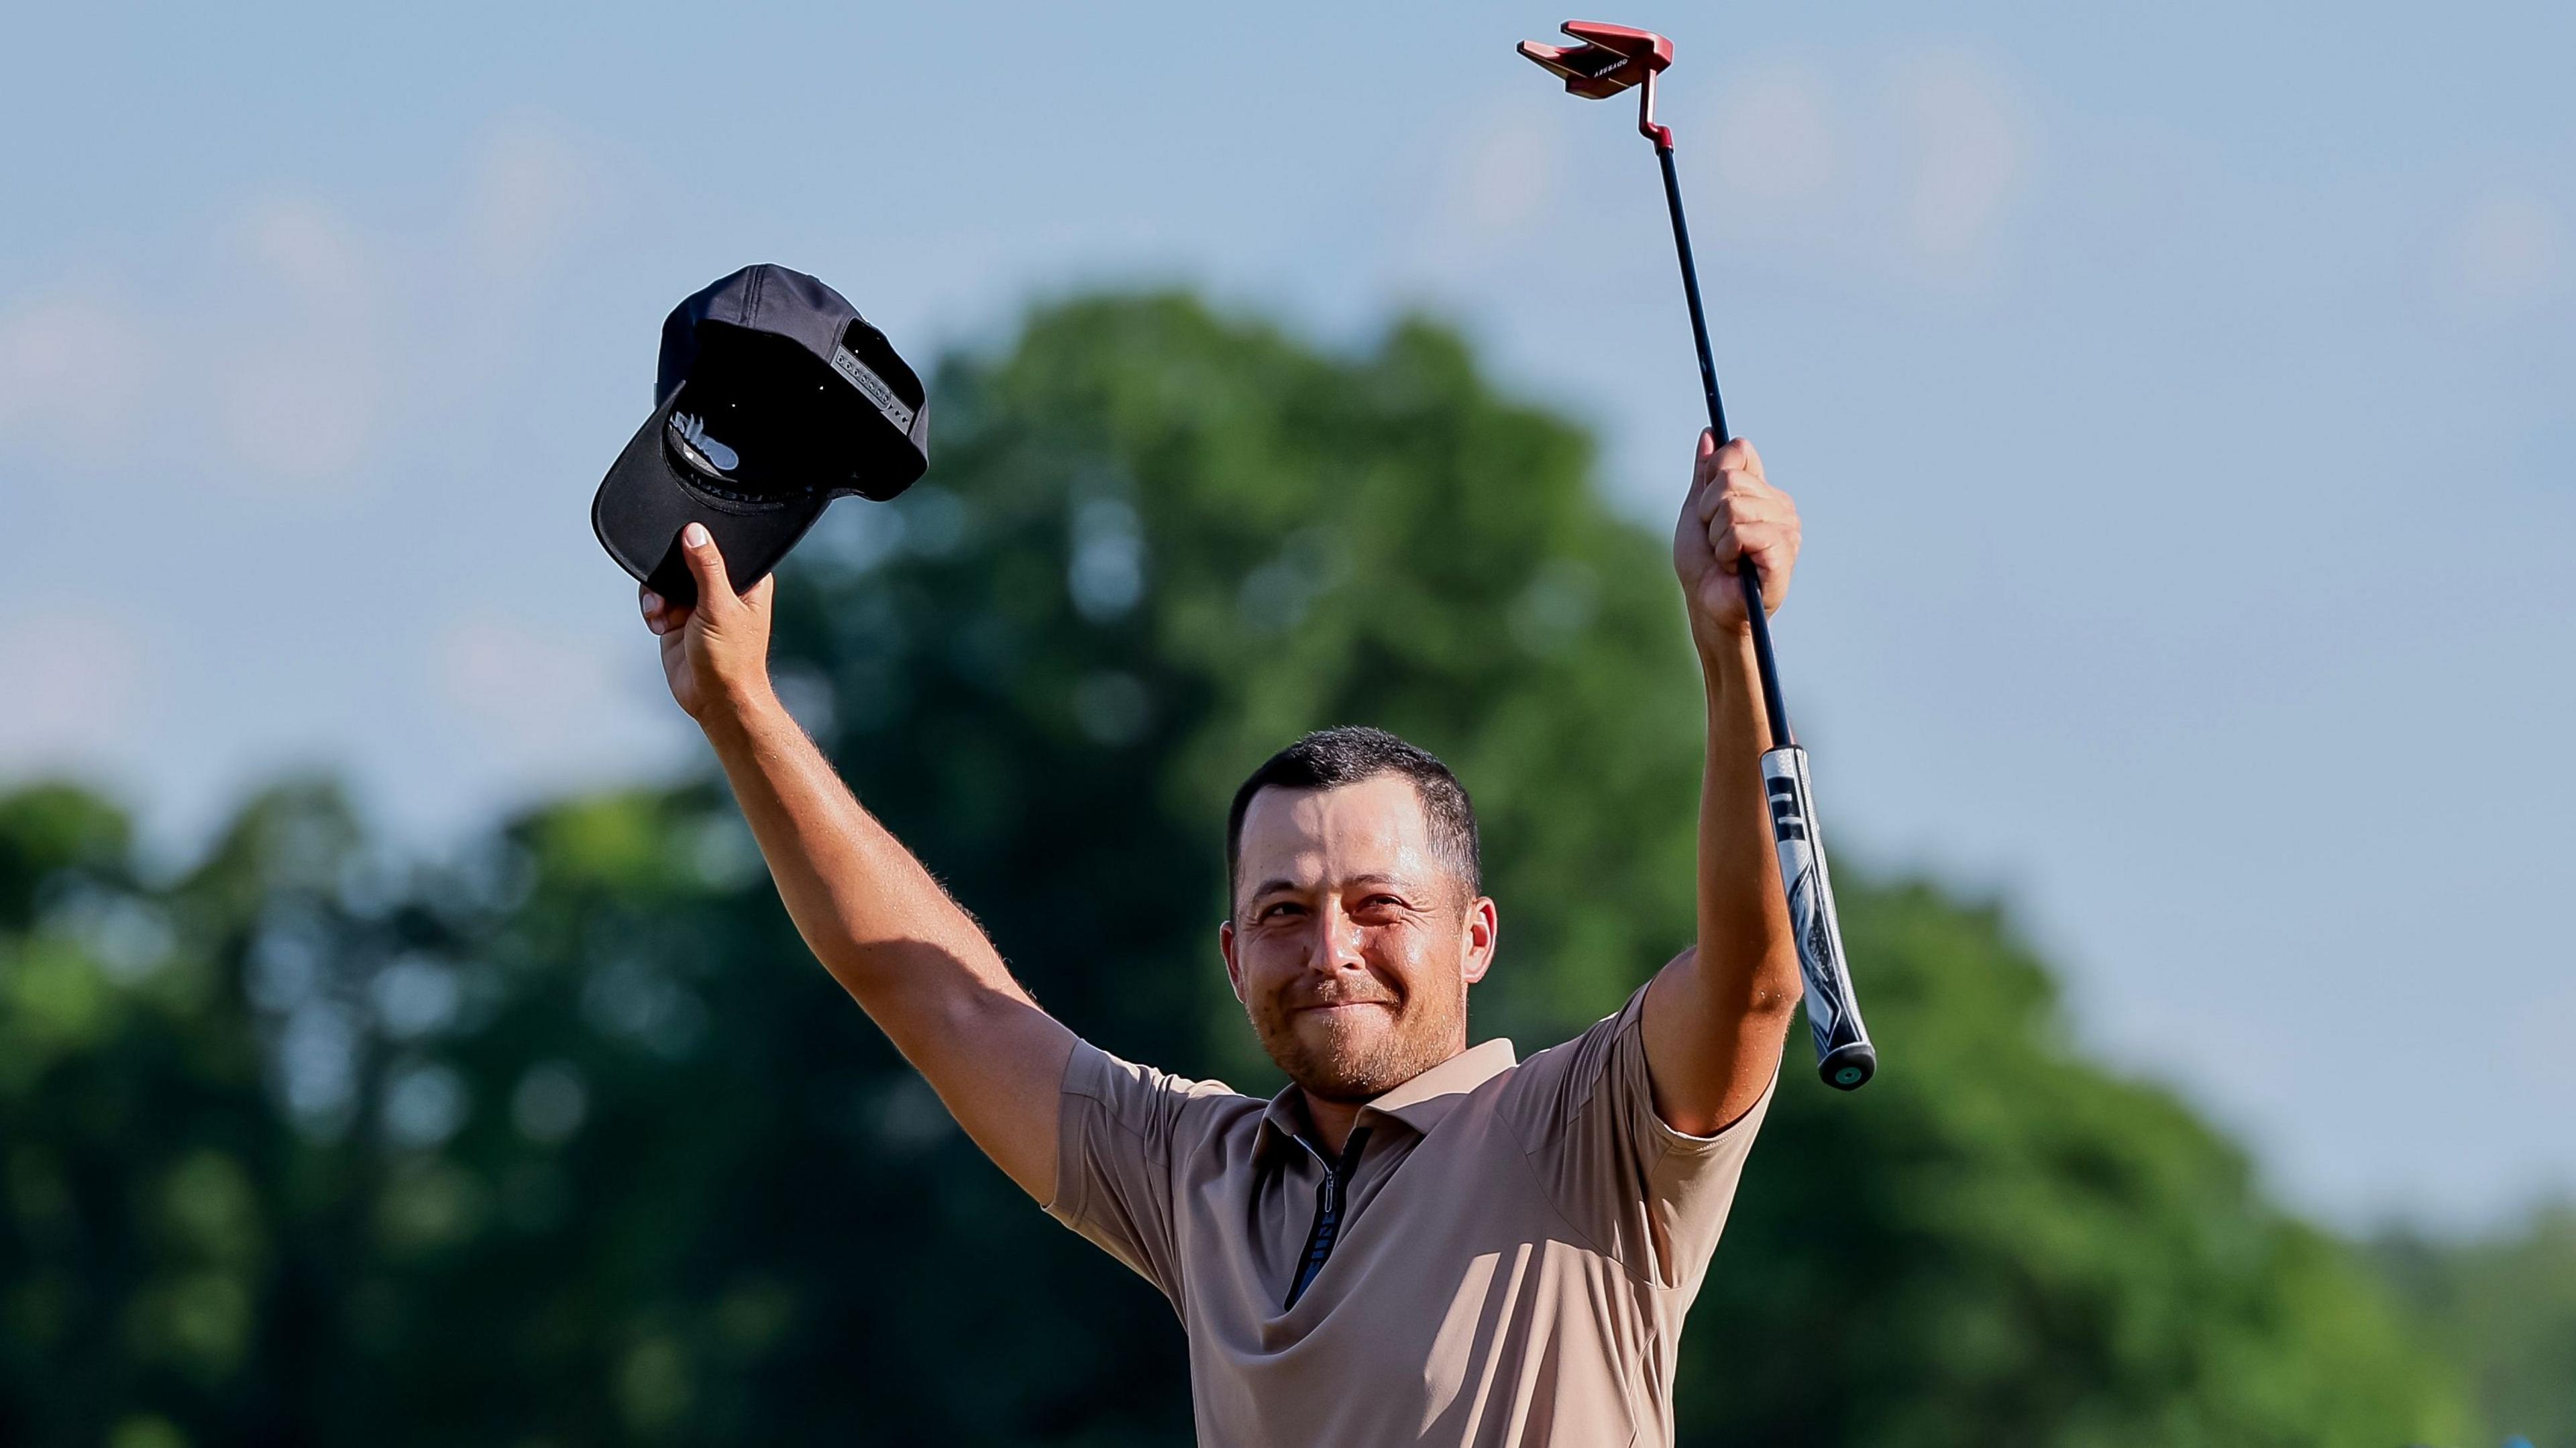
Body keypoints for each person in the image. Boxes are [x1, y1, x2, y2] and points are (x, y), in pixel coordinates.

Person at [637, 429, 1806, 1447]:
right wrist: (740, 706)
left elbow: (1754, 976)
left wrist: (1730, 653)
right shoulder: (1195, 1171)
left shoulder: (1587, 1134)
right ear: (1234, 958)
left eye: (1378, 906)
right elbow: (935, 994)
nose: (1331, 949)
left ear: (1476, 936)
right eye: (1284, 913)